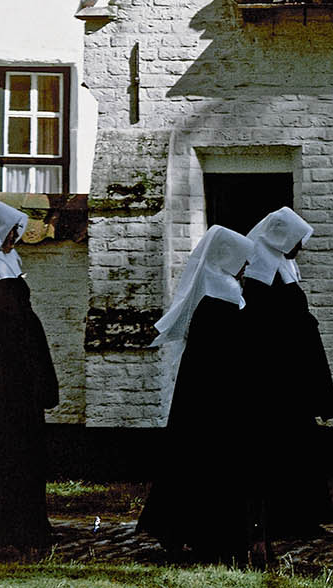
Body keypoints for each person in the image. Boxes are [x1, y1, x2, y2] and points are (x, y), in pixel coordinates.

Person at [137, 225, 260, 564]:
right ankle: (213, 535)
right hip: (217, 398)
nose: (246, 266)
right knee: (213, 465)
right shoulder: (221, 294)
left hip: (203, 395)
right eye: (242, 259)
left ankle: (189, 532)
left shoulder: (217, 288)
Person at [242, 207, 333, 543]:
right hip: (277, 377)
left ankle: (303, 517)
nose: (300, 247)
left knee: (300, 449)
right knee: (281, 449)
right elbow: (267, 327)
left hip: (293, 372)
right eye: (296, 240)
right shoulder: (259, 273)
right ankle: (284, 519)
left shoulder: (282, 264)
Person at [0, 200, 58, 561]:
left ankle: (30, 524)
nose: (14, 238)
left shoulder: (10, 262)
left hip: (24, 367)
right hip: (6, 370)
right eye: (9, 231)